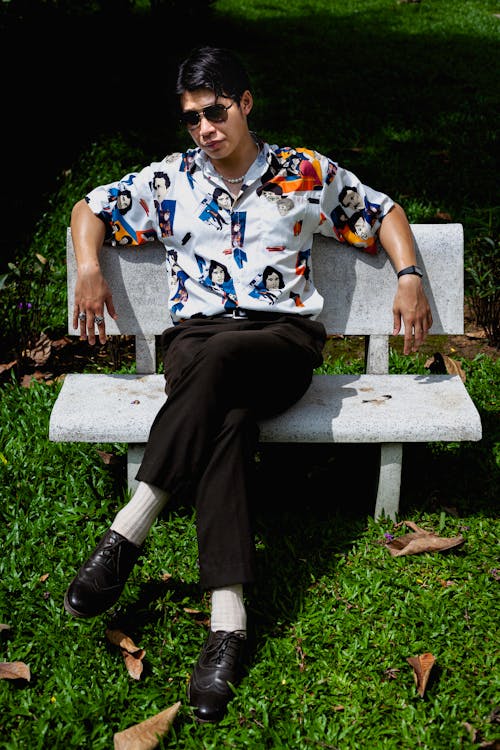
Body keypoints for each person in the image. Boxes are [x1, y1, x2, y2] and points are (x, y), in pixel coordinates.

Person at [63, 45, 433, 723]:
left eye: (216, 111)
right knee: (225, 417)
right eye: (192, 118)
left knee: (227, 365)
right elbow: (91, 207)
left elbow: (381, 211)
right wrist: (88, 262)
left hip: (281, 345)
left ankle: (129, 529)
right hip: (198, 349)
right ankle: (227, 627)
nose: (205, 128)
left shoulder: (304, 173)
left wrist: (408, 274)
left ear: (246, 104)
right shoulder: (170, 180)